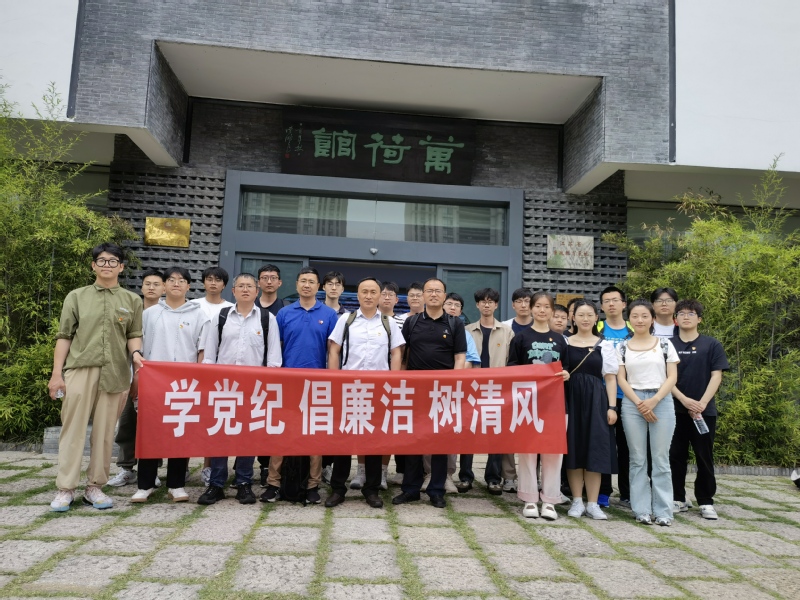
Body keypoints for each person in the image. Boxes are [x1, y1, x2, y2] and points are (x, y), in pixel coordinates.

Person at [48, 243, 143, 512]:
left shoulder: (132, 300)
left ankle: (94, 487)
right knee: (73, 430)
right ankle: (66, 488)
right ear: (93, 265)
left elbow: (134, 335)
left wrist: (136, 354)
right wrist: (57, 374)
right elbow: (64, 336)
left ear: (121, 267)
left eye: (113, 261)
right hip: (80, 368)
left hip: (115, 371)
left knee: (104, 433)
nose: (107, 265)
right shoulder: (76, 297)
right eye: (101, 261)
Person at [198, 273, 282, 505]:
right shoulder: (221, 316)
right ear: (233, 291)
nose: (245, 289)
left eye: (249, 286)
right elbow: (210, 355)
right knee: (220, 435)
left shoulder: (267, 318)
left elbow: (274, 359)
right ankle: (216, 484)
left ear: (256, 291)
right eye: (241, 286)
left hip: (253, 389)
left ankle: (244, 483)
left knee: (248, 436)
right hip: (223, 388)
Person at [131, 267, 210, 503]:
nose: (176, 283)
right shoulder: (150, 314)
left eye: (182, 280)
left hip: (185, 384)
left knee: (180, 432)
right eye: (172, 280)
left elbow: (202, 350)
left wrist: (198, 380)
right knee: (149, 433)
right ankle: (145, 484)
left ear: (188, 286)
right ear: (164, 285)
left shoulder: (199, 315)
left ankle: (176, 485)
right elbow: (139, 347)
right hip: (153, 382)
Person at [326, 277, 405, 509]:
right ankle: (338, 488)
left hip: (378, 391)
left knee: (373, 441)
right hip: (349, 389)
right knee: (343, 440)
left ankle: (371, 489)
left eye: (373, 292)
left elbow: (397, 353)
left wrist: (393, 382)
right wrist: (335, 380)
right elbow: (334, 350)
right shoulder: (346, 320)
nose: (369, 296)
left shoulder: (388, 323)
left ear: (379, 295)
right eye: (364, 292)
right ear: (357, 295)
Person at [263, 267, 338, 505]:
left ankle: (313, 485)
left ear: (318, 287)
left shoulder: (329, 315)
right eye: (303, 281)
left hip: (318, 384)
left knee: (314, 436)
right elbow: (276, 347)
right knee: (281, 434)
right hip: (287, 383)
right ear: (296, 285)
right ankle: (273, 483)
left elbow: (333, 351)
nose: (307, 285)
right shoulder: (284, 313)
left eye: (311, 282)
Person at [393, 278, 467, 509]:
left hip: (443, 392)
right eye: (429, 291)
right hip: (415, 390)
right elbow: (403, 356)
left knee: (440, 441)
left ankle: (436, 490)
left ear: (444, 296)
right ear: (423, 295)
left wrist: (454, 385)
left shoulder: (455, 323)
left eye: (438, 291)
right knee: (413, 440)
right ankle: (410, 489)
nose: (433, 294)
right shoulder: (412, 322)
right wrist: (400, 384)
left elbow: (460, 358)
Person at [616, 299, 679, 526]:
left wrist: (654, 400)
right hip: (632, 403)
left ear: (652, 319)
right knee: (637, 459)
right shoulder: (622, 347)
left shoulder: (664, 345)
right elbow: (621, 378)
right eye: (635, 316)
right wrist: (639, 403)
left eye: (644, 316)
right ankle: (641, 509)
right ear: (629, 320)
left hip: (661, 401)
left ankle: (664, 511)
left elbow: (672, 376)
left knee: (661, 459)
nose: (640, 320)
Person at [507, 291, 570, 520]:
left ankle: (550, 500)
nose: (542, 310)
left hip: (555, 403)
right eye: (538, 306)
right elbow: (512, 367)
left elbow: (567, 368)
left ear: (552, 311)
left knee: (553, 451)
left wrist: (565, 374)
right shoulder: (521, 338)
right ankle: (530, 498)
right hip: (528, 402)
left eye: (546, 307)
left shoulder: (560, 340)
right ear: (531, 308)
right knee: (528, 451)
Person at [669, 299, 729, 520]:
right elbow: (665, 377)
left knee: (704, 457)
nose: (686, 317)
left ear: (700, 319)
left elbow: (716, 375)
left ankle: (705, 501)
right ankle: (678, 498)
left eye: (691, 313)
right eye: (682, 313)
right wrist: (684, 400)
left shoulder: (711, 345)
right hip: (674, 410)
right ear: (675, 319)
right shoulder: (667, 345)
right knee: (675, 456)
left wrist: (701, 403)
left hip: (704, 412)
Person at [108, 268, 165, 488]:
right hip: (128, 375)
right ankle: (126, 468)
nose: (151, 288)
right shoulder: (130, 309)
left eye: (156, 284)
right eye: (147, 284)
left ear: (164, 288)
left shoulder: (166, 313)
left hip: (157, 380)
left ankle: (151, 469)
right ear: (141, 287)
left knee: (153, 426)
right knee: (127, 424)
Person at [564, 300, 619, 520]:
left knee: (594, 449)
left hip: (596, 401)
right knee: (574, 448)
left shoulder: (605, 345)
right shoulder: (564, 342)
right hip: (570, 400)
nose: (585, 319)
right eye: (581, 315)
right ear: (573, 318)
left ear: (597, 318)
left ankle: (593, 503)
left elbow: (611, 378)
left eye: (589, 315)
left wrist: (612, 407)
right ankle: (577, 501)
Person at [462, 288, 516, 495]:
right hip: (472, 388)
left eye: (490, 301)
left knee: (496, 434)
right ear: (477, 305)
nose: (486, 305)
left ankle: (493, 478)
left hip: (497, 389)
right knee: (468, 432)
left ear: (496, 305)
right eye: (482, 301)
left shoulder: (506, 331)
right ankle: (465, 476)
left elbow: (511, 361)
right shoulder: (467, 331)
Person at [190, 266, 234, 486]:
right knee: (188, 419)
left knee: (213, 421)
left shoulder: (231, 309)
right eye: (209, 279)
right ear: (203, 282)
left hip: (220, 375)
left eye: (218, 280)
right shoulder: (193, 306)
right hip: (193, 369)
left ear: (224, 285)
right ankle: (181, 466)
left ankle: (208, 467)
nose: (213, 283)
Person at [597, 285, 634, 508]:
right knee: (604, 445)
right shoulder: (597, 328)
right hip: (601, 395)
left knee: (628, 446)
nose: (611, 304)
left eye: (615, 300)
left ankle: (628, 492)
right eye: (606, 301)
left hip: (629, 395)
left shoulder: (635, 329)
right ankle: (603, 491)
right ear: (601, 306)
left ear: (623, 304)